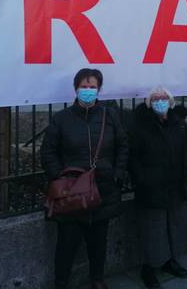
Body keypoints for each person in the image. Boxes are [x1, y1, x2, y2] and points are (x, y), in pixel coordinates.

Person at [41, 68, 129, 289]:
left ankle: (97, 280)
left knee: (98, 242)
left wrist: (118, 173)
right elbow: (48, 152)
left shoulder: (110, 116)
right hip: (71, 193)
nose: (88, 91)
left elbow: (123, 146)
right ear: (76, 89)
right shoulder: (61, 118)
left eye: (92, 87)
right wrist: (58, 178)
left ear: (99, 90)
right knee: (67, 243)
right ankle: (61, 282)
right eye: (84, 86)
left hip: (103, 190)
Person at [129, 87, 187, 288]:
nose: (160, 101)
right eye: (155, 98)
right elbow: (133, 157)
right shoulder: (141, 126)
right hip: (151, 187)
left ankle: (169, 261)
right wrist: (143, 179)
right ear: (149, 103)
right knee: (152, 229)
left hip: (175, 186)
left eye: (163, 98)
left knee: (173, 226)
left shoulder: (179, 125)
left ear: (170, 101)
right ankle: (149, 268)